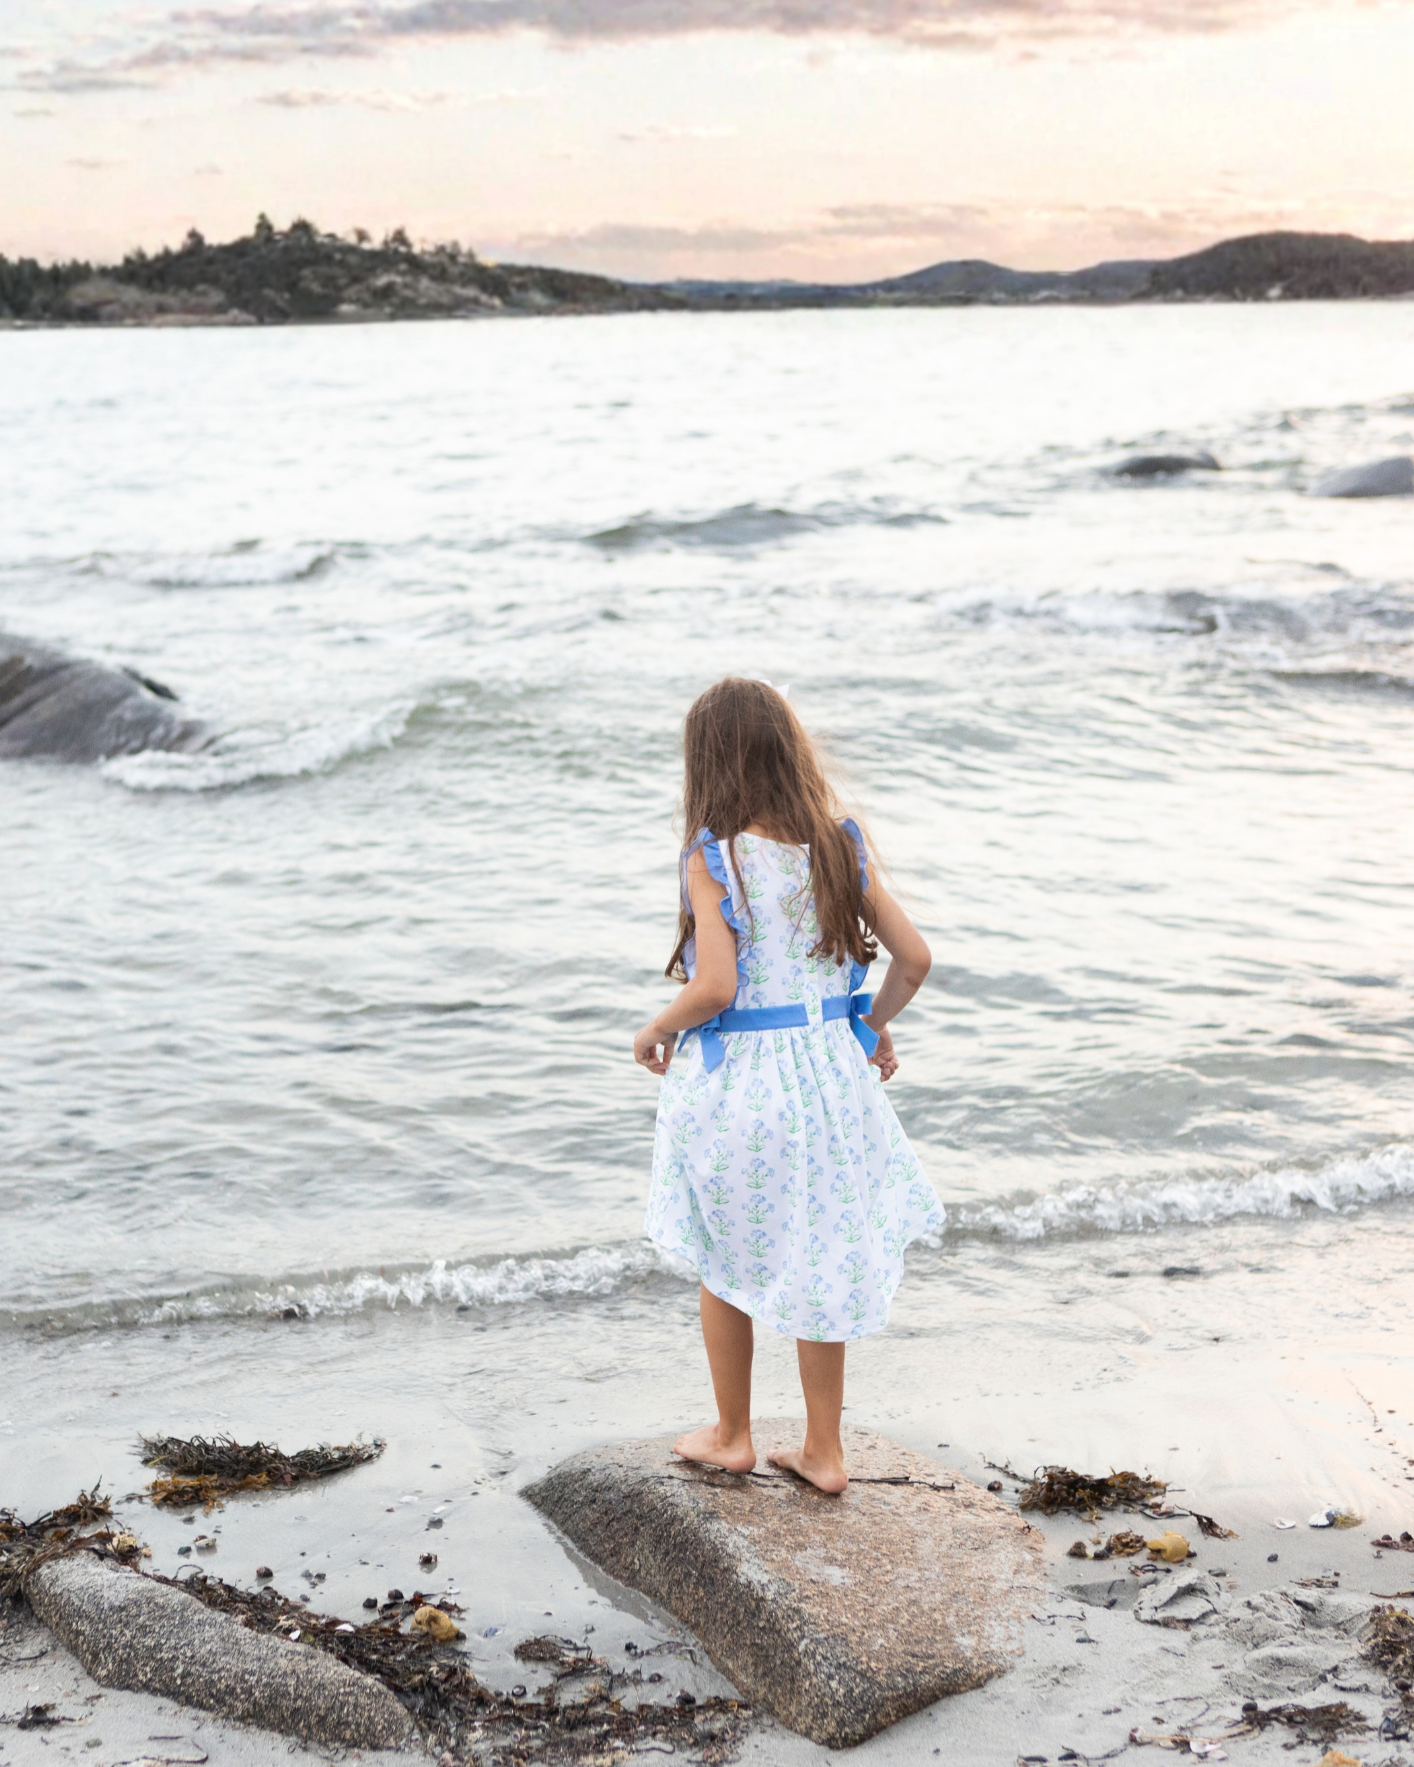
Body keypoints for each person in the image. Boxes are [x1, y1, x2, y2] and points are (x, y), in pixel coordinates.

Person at [635, 677, 943, 1493]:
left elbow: (718, 988)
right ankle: (823, 1451)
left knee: (718, 1249)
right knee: (823, 1250)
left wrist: (657, 1026)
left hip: (742, 1087)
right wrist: (868, 1027)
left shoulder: (716, 855)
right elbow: (915, 958)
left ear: (710, 763)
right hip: (830, 1081)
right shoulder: (839, 844)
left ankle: (733, 1432)